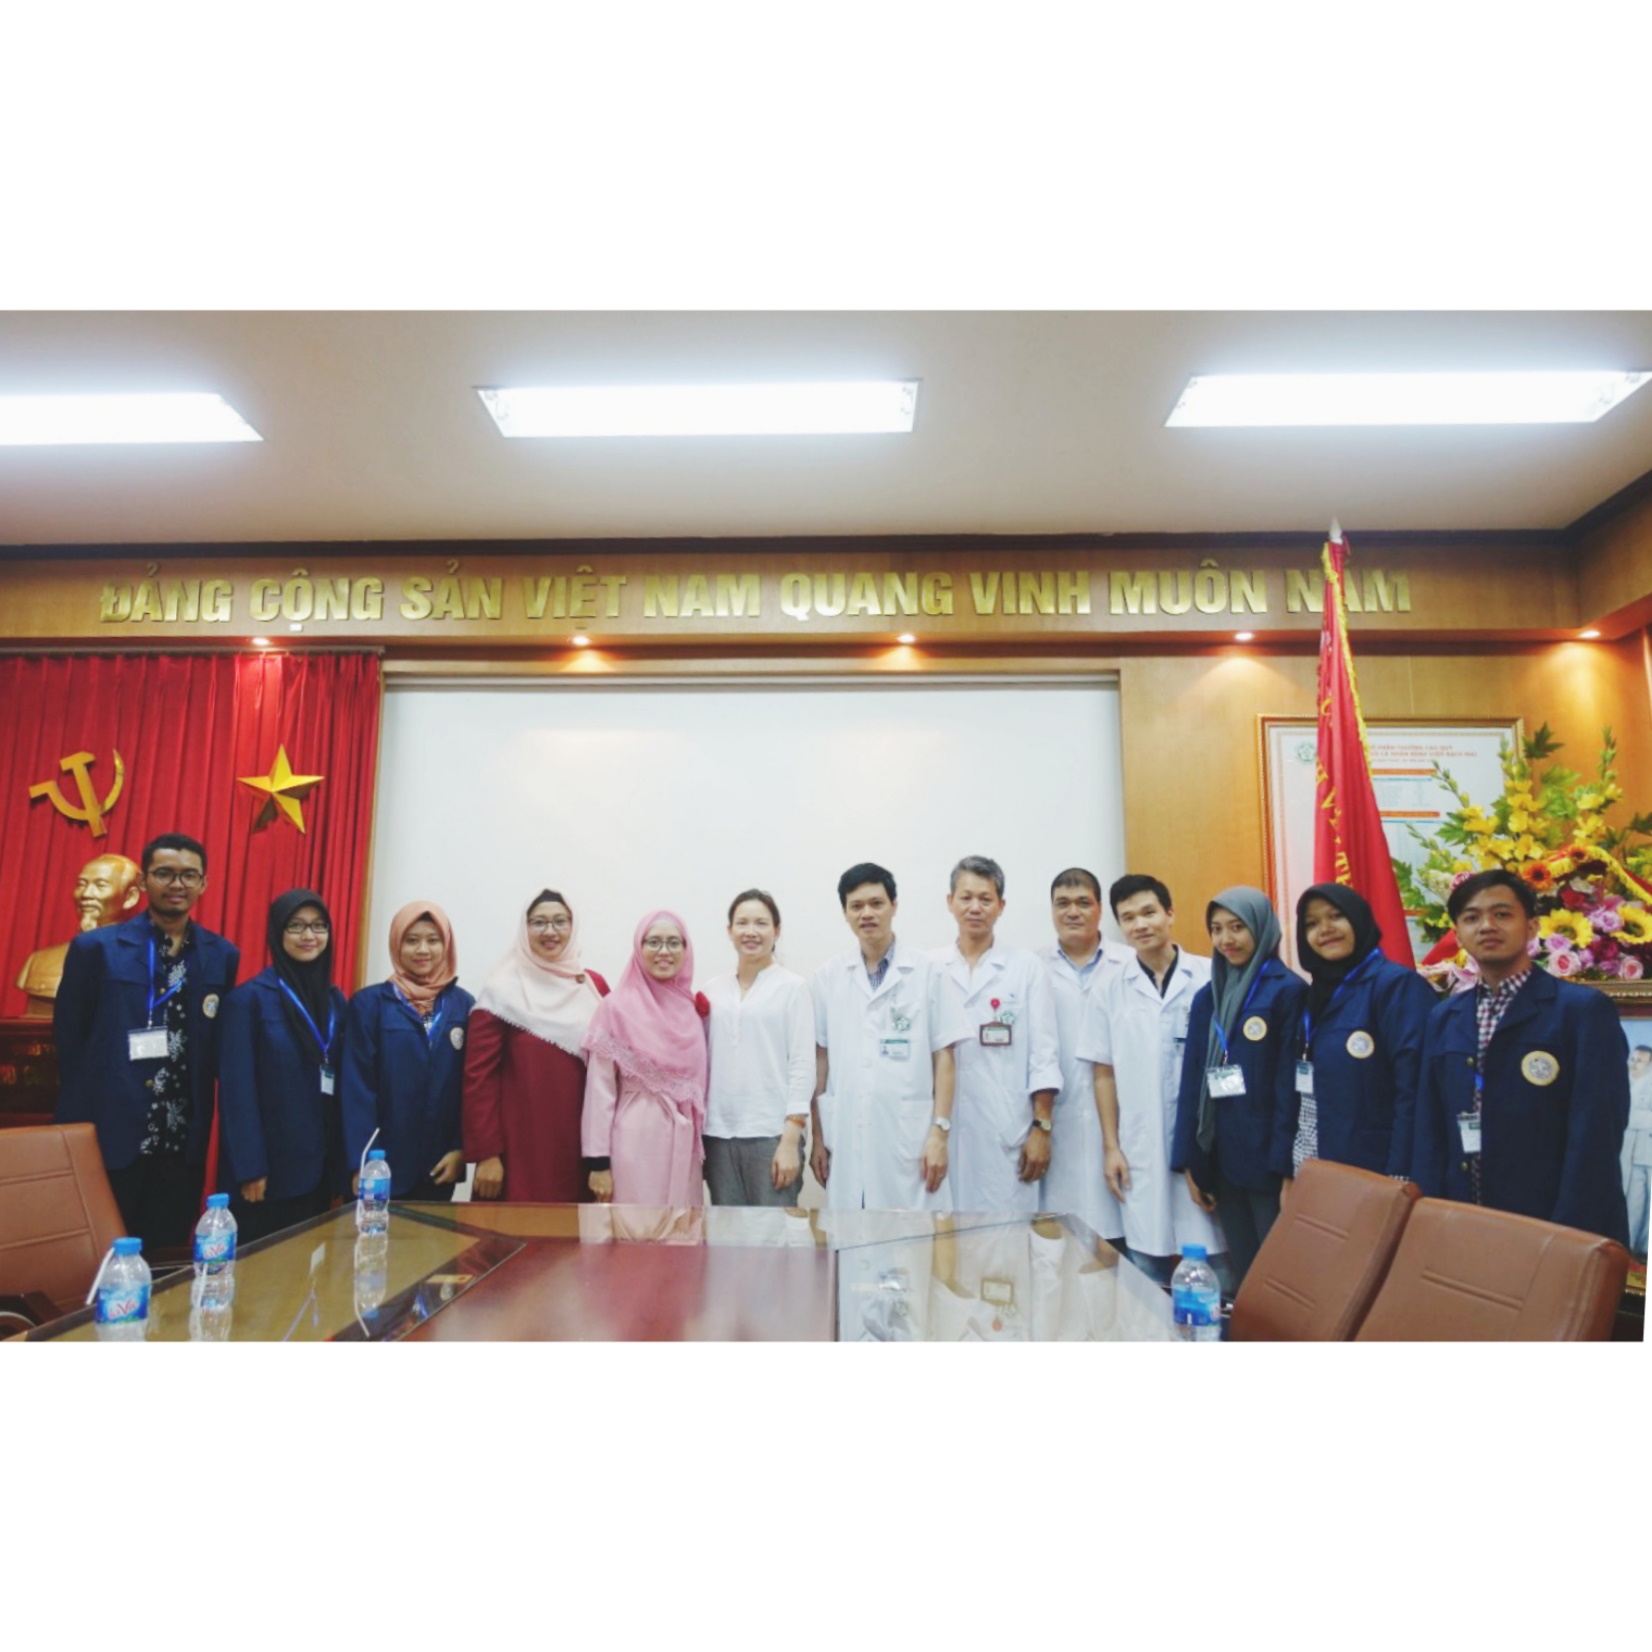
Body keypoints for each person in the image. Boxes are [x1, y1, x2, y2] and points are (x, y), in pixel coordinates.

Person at [1411, 869, 1631, 1243]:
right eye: (1471, 918)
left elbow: (1596, 1134)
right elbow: (1430, 1128)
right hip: (1462, 1220)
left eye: (1502, 914)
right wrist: (1431, 1216)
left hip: (1550, 1224)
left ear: (1531, 927)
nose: (1486, 926)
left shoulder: (1580, 1011)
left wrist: (1566, 1235)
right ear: (1459, 933)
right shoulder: (1444, 1016)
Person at [53, 832, 240, 1249]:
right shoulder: (96, 949)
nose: (177, 885)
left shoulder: (221, 955)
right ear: (144, 883)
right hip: (110, 1136)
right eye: (165, 874)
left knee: (165, 1261)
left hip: (179, 1142)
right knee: (97, 1260)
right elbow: (70, 1040)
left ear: (204, 884)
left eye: (189, 876)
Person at [1078, 874, 1219, 1285]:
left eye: (1148, 913)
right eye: (1128, 918)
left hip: (1201, 1143)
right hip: (1140, 1146)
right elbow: (1102, 1073)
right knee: (1146, 1274)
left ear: (1170, 913)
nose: (1140, 925)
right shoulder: (1108, 990)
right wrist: (1111, 1147)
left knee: (1218, 1271)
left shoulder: (1210, 976)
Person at [811, 862, 969, 1212]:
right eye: (856, 906)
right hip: (847, 1137)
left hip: (909, 1139)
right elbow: (821, 1061)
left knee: (910, 1252)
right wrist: (818, 1139)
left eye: (876, 903)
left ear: (893, 906)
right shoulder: (828, 978)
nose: (867, 913)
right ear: (845, 913)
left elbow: (945, 1057)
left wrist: (940, 1132)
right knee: (852, 1248)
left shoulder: (928, 972)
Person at [1171, 887, 1304, 1289]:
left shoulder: (1288, 991)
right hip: (1223, 1161)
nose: (1226, 939)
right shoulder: (1206, 998)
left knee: (1280, 1276)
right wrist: (1190, 1161)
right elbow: (1192, 1080)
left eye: (1237, 927)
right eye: (1216, 929)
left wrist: (1286, 1168)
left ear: (1262, 928)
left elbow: (1290, 1089)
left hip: (1267, 1162)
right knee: (1246, 1275)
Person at [1273, 883, 1437, 1189]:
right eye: (1311, 923)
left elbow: (1413, 1091)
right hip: (1318, 1168)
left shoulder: (1396, 986)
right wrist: (1292, 1171)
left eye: (1336, 916)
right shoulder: (1313, 996)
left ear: (1358, 919)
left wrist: (1400, 1177)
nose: (1325, 929)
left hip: (1377, 1171)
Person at [218, 889, 349, 1245]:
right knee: (262, 1282)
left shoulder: (336, 1001)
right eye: (296, 926)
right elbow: (237, 1091)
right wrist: (250, 1167)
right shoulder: (248, 1001)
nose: (309, 936)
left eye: (319, 926)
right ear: (277, 933)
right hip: (267, 1174)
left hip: (320, 1170)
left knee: (310, 1275)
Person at [932, 855, 1062, 1215]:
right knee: (941, 1251)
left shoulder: (1026, 968)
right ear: (950, 902)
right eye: (966, 897)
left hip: (1005, 1132)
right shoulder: (929, 968)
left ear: (1000, 906)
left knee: (1004, 1254)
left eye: (985, 899)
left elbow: (1044, 1055)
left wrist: (1042, 1127)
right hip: (941, 1133)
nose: (975, 907)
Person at [462, 890, 609, 1203]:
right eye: (539, 923)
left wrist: (604, 1158)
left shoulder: (592, 987)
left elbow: (610, 1076)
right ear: (524, 928)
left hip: (578, 1148)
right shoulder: (501, 989)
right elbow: (479, 1078)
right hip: (518, 1151)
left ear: (573, 926)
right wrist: (487, 1154)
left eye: (559, 921)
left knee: (572, 1246)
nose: (550, 931)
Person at [341, 902, 475, 1202]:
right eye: (411, 940)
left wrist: (460, 1149)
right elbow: (356, 1089)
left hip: (440, 1167)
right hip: (380, 1168)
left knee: (436, 1248)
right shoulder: (369, 1004)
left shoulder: (464, 1006)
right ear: (396, 944)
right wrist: (361, 1162)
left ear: (447, 945)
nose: (423, 949)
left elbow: (471, 1087)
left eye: (433, 940)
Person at [582, 911, 709, 1206]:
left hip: (684, 1144)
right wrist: (598, 1163)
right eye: (653, 942)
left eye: (673, 943)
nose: (664, 951)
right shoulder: (615, 1007)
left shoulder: (691, 1010)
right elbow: (598, 1093)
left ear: (686, 949)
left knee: (680, 1234)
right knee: (635, 1231)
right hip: (634, 1141)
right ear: (639, 948)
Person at [702, 890, 814, 1207]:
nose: (751, 931)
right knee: (730, 1242)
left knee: (774, 1242)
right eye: (742, 923)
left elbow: (803, 1065)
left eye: (761, 923)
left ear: (776, 931)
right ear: (730, 931)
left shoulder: (793, 988)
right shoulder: (713, 990)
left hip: (771, 1133)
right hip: (719, 1136)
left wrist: (791, 1138)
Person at [1037, 867, 1132, 1243]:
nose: (1072, 912)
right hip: (1055, 1120)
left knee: (1121, 1243)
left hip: (1122, 1120)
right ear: (1052, 910)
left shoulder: (1129, 964)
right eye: (1062, 904)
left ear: (1098, 910)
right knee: (1058, 1240)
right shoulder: (1033, 967)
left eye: (1082, 903)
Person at [17, 851, 144, 1016]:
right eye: (81, 884)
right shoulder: (38, 961)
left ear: (130, 897)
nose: (86, 894)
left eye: (100, 885)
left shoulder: (147, 962)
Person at [1623, 1045, 1652, 1255]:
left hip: (1646, 1153)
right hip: (1628, 1153)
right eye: (1632, 1059)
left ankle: (1643, 1249)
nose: (1634, 1064)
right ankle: (1628, 1245)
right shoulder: (1622, 1081)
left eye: (1640, 1061)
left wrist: (1632, 1119)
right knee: (1631, 1202)